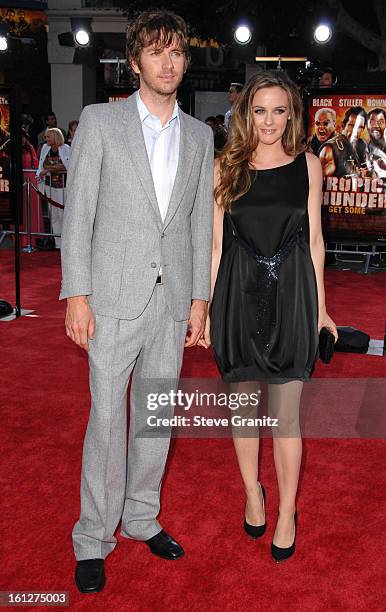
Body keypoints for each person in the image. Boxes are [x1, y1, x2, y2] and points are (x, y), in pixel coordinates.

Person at [60, 10, 213, 594]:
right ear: (135, 61)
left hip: (171, 300)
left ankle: (141, 516)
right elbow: (80, 216)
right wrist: (77, 293)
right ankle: (93, 535)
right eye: (156, 52)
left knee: (155, 417)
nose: (168, 63)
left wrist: (199, 299)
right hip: (113, 294)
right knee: (105, 419)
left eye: (176, 52)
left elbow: (200, 224)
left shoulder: (200, 136)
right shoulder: (100, 122)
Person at [200, 70, 337, 562]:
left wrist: (321, 310)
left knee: (285, 418)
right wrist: (209, 309)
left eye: (280, 110)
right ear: (246, 113)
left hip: (291, 296)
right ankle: (253, 492)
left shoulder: (310, 166)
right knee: (242, 412)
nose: (270, 121)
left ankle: (286, 512)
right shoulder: (225, 167)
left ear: (293, 114)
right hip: (238, 293)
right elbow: (217, 245)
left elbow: (316, 242)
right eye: (260, 110)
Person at [36, 128, 71, 249]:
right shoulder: (45, 148)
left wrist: (48, 170)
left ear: (55, 137)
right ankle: (58, 244)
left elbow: (67, 166)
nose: (46, 139)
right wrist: (47, 170)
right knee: (53, 214)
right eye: (45, 137)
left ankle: (67, 243)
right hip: (49, 186)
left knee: (63, 213)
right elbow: (42, 165)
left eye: (48, 137)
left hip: (63, 187)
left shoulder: (66, 148)